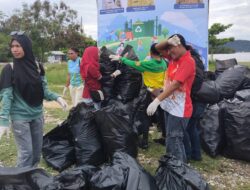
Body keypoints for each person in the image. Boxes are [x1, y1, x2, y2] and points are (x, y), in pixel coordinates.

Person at [0, 32, 67, 168]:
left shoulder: (37, 67)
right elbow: (7, 96)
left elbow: (44, 90)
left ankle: (32, 178)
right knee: (26, 154)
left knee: (36, 153)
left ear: (26, 46)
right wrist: (3, 121)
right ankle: (20, 182)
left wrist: (58, 97)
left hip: (37, 115)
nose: (14, 49)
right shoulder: (9, 69)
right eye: (12, 46)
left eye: (18, 45)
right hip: (20, 118)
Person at [146, 34, 195, 162]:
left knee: (175, 139)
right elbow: (157, 48)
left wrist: (157, 100)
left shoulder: (187, 61)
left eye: (171, 48)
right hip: (170, 106)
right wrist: (168, 41)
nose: (169, 52)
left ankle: (179, 169)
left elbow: (176, 84)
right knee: (171, 137)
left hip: (180, 109)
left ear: (178, 45)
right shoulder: (174, 57)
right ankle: (172, 164)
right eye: (168, 48)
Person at [109, 43, 167, 149]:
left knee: (145, 117)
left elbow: (134, 64)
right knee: (162, 116)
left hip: (150, 93)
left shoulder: (149, 63)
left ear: (150, 52)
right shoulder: (163, 63)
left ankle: (144, 141)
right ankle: (164, 137)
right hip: (162, 93)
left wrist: (120, 58)